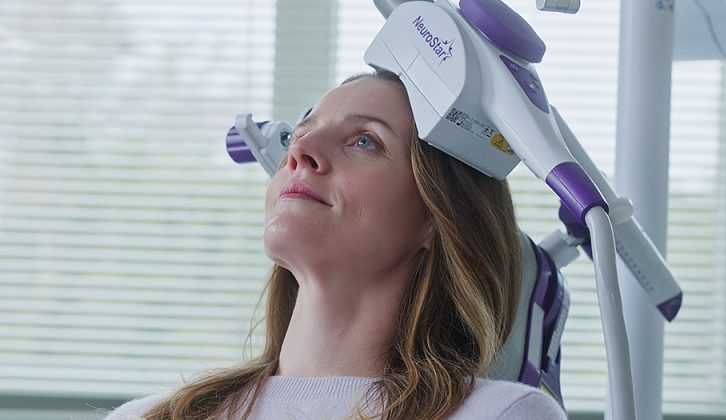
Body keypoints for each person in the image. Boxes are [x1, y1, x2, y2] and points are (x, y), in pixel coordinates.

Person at [105, 71, 567, 419]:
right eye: (302, 129)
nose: (300, 150)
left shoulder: (501, 415)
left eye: (364, 141)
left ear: (435, 216)